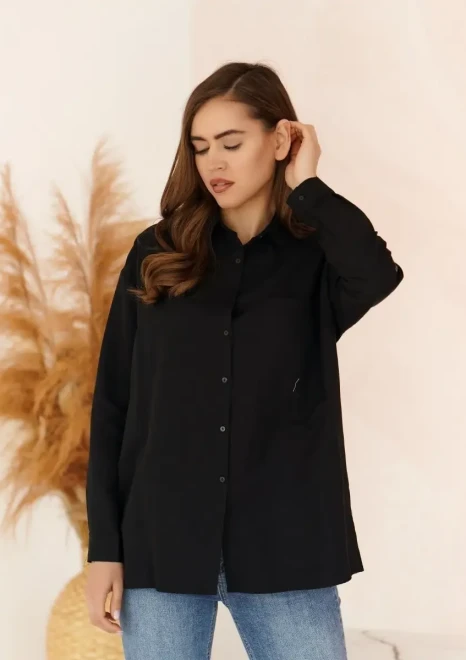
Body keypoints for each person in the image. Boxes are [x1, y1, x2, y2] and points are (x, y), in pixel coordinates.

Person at [85, 61, 403, 659]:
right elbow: (113, 405)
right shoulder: (157, 253)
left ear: (279, 140)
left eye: (232, 144)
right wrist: (104, 547)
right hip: (162, 542)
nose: (214, 162)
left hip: (285, 543)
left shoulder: (316, 257)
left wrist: (308, 185)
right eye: (201, 146)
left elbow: (378, 273)